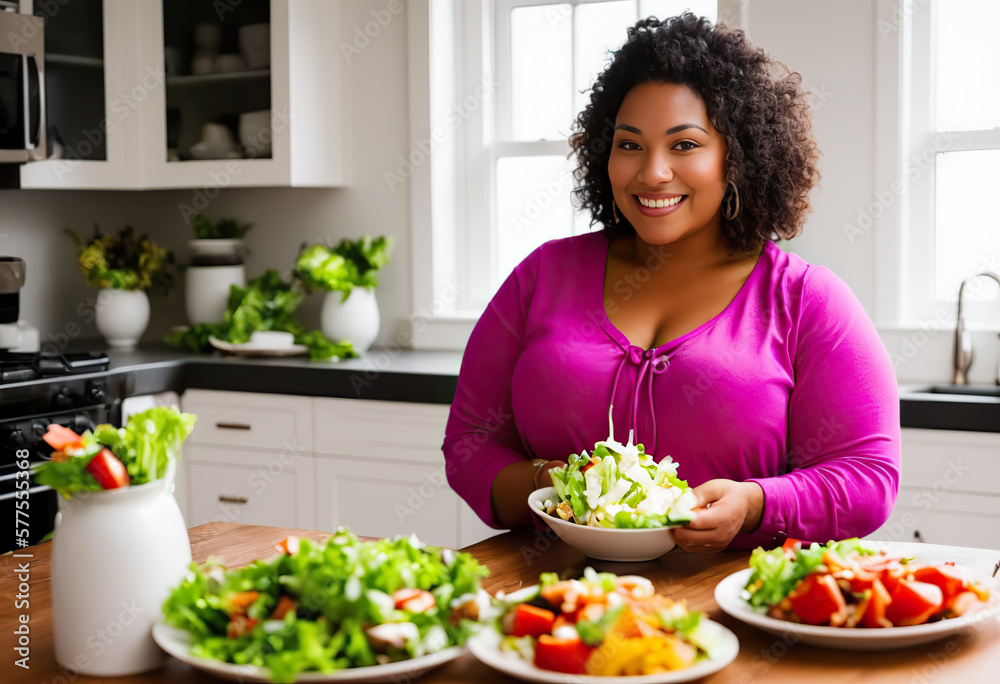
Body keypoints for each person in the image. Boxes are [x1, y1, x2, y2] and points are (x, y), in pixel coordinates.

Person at [442, 13, 900, 552]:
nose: (652, 173)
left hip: (732, 613)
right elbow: (471, 444)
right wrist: (553, 484)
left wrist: (756, 503)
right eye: (630, 144)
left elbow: (869, 478)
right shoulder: (543, 276)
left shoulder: (806, 300)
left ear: (738, 155)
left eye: (685, 145)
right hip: (552, 605)